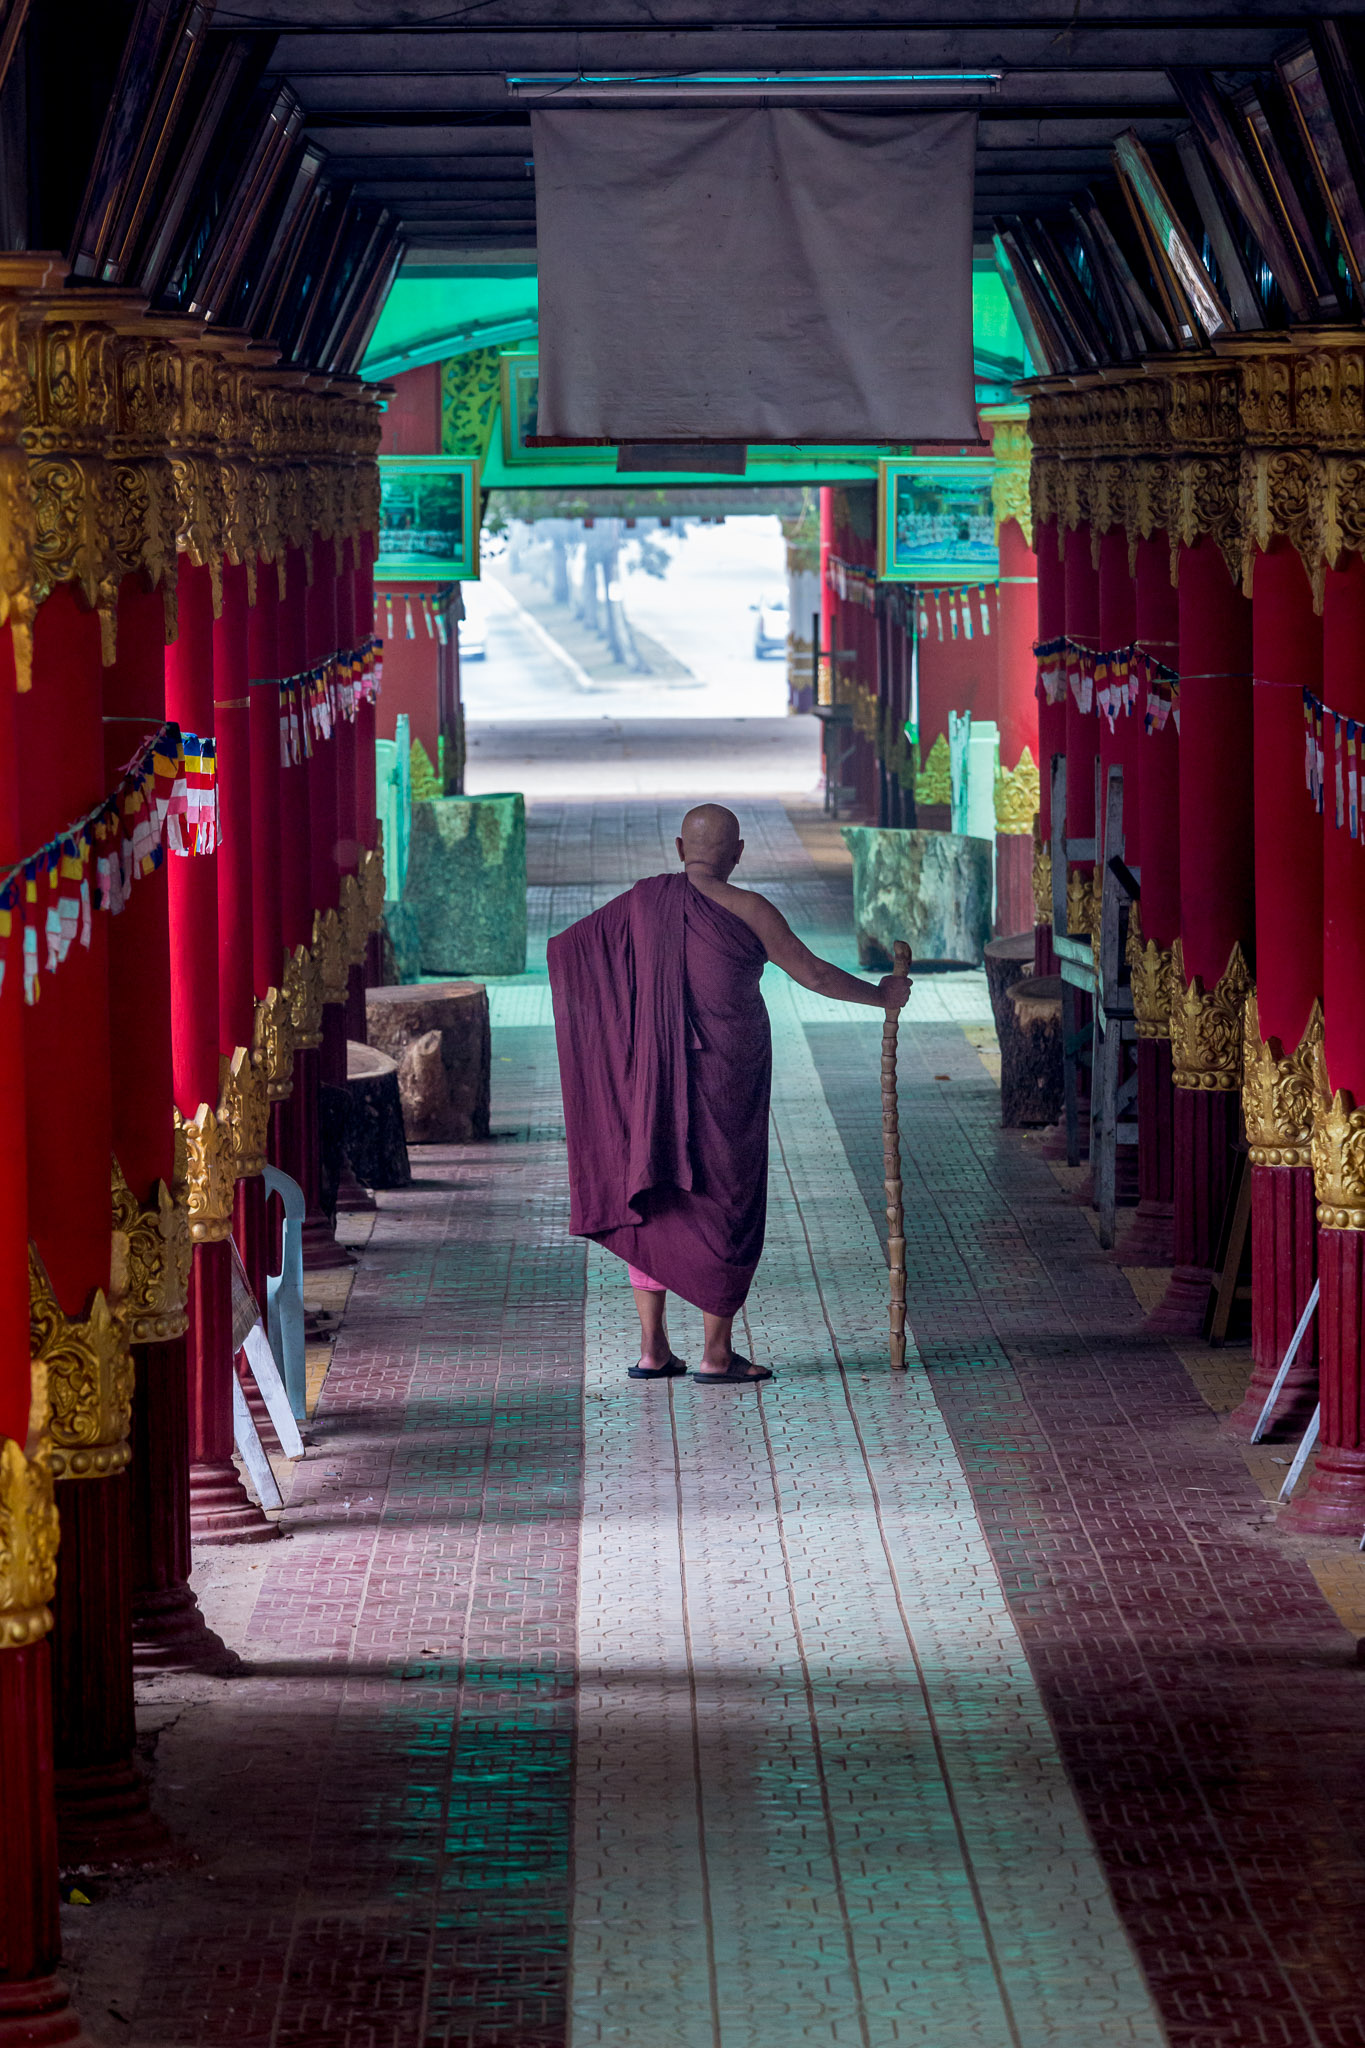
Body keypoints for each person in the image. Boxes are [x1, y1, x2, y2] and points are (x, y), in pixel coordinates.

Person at [548, 804, 912, 1384]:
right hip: (727, 1082)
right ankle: (716, 1356)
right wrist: (881, 995)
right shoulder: (749, 909)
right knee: (727, 1201)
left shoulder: (643, 903)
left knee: (658, 1198)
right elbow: (814, 974)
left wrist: (620, 1041)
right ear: (738, 853)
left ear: (678, 848)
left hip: (654, 1080)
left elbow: (571, 951)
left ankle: (653, 1350)